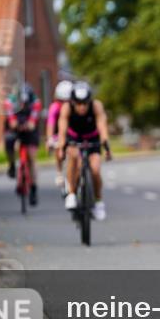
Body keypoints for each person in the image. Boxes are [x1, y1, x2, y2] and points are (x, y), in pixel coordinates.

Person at [56, 82, 112, 220]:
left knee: (95, 169)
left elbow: (102, 125)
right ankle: (72, 194)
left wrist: (106, 144)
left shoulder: (96, 106)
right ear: (73, 102)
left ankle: (98, 202)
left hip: (92, 138)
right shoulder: (66, 107)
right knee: (73, 157)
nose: (82, 107)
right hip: (74, 139)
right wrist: (61, 146)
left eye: (85, 103)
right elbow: (62, 129)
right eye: (78, 104)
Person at [3, 82, 42, 205]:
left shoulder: (36, 103)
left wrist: (29, 124)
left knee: (32, 157)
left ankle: (33, 188)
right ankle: (11, 164)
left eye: (26, 104)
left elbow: (33, 121)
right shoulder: (9, 102)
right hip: (14, 125)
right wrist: (15, 125)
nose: (24, 106)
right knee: (9, 140)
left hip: (29, 127)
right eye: (21, 104)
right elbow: (11, 121)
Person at [46, 80, 74, 190]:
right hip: (59, 133)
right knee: (58, 148)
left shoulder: (76, 107)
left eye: (68, 101)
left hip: (72, 132)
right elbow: (50, 124)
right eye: (62, 101)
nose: (65, 104)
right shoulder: (54, 108)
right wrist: (50, 139)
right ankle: (59, 172)